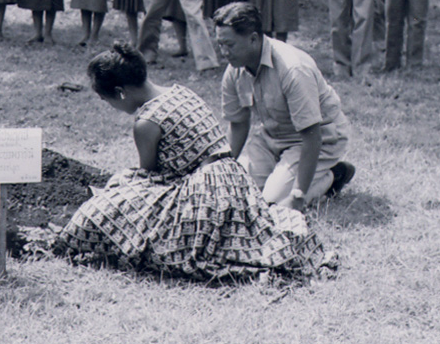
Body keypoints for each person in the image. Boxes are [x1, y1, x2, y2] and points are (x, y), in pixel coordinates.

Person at [56, 42, 326, 282]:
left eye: (107, 100)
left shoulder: (146, 122)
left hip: (204, 195)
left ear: (120, 92)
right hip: (236, 183)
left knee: (106, 208)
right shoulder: (179, 91)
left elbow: (149, 177)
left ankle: (63, 244)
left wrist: (117, 189)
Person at [214, 2, 355, 207]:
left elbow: (311, 136)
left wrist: (298, 194)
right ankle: (289, 176)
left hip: (318, 139)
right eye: (220, 45)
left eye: (230, 45)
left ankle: (333, 175)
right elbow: (238, 124)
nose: (224, 52)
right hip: (272, 138)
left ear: (253, 38)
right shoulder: (234, 71)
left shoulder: (293, 68)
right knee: (237, 191)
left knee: (273, 202)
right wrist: (221, 168)